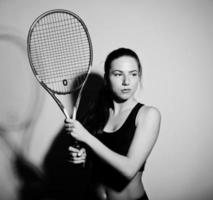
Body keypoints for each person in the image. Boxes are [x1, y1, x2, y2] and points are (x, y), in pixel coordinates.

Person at [65, 48, 161, 200]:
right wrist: (81, 156)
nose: (126, 82)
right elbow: (95, 161)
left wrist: (86, 138)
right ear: (107, 77)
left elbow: (129, 169)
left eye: (133, 74)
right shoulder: (95, 114)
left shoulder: (148, 114)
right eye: (118, 74)